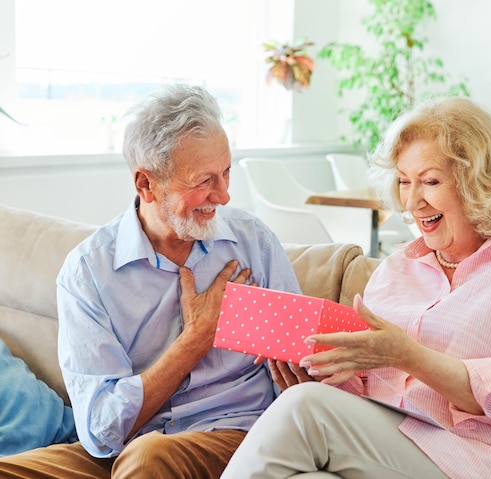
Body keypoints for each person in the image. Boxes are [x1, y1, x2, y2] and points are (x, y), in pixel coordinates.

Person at [221, 97, 491, 479]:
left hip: (488, 461)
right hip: (395, 451)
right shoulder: (398, 268)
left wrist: (410, 357)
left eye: (430, 181)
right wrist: (322, 372)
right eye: (403, 182)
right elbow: (367, 395)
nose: (412, 202)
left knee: (305, 410)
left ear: (477, 182)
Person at [0, 84, 301, 478]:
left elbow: (301, 366)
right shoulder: (88, 271)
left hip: (230, 435)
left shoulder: (252, 243)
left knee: (149, 458)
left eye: (226, 173)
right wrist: (194, 341)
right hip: (122, 448)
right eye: (204, 181)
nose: (224, 196)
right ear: (146, 184)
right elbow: (99, 429)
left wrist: (310, 366)